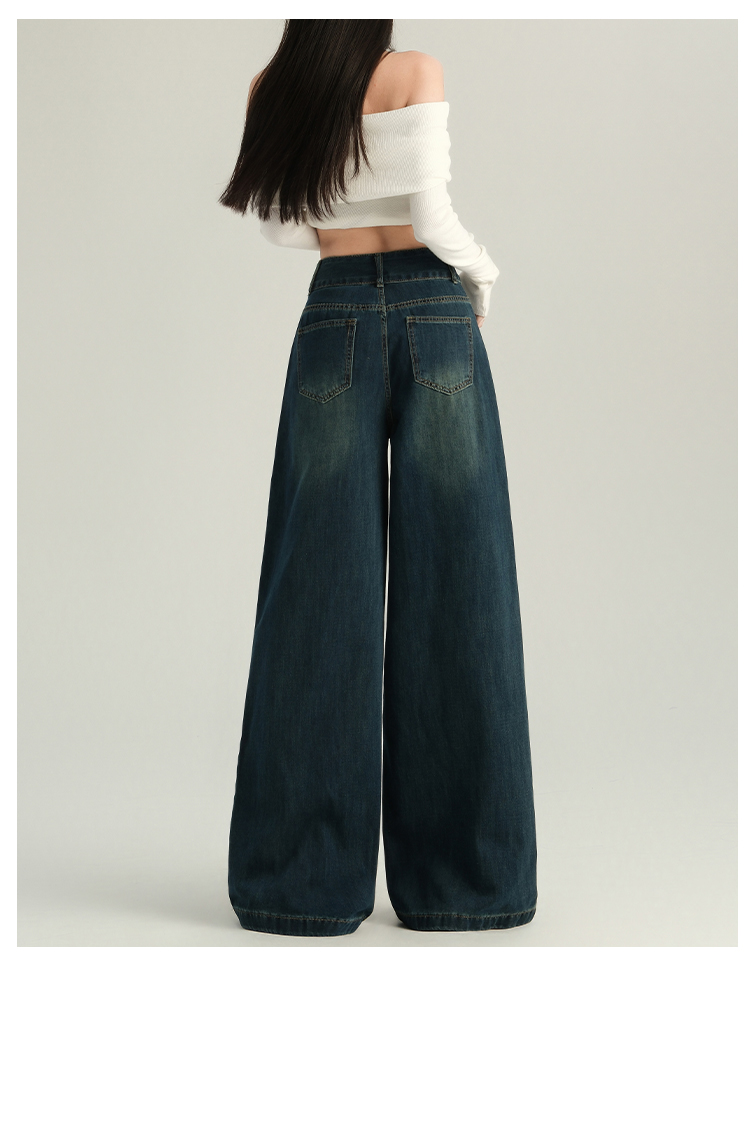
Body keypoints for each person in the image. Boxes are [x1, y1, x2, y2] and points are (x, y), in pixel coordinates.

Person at [220, 20, 538, 937]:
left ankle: (298, 884)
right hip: (437, 315)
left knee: (315, 591)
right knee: (462, 586)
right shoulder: (414, 71)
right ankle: (466, 883)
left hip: (334, 318)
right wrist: (481, 276)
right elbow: (432, 219)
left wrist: (346, 223)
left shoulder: (273, 85)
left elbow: (283, 224)